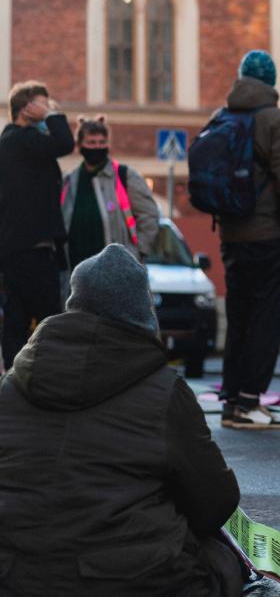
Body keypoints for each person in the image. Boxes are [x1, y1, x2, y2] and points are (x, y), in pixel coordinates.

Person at [0, 244, 244, 596]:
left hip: (14, 575)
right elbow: (215, 503)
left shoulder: (11, 386)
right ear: (142, 313)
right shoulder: (165, 391)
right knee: (221, 559)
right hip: (129, 579)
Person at [218, 51, 280, 429]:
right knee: (266, 320)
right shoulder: (277, 121)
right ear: (270, 82)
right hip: (269, 235)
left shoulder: (221, 118)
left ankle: (232, 400)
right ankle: (252, 403)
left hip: (231, 235)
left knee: (239, 317)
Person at [0, 81, 75, 369]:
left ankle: (14, 380)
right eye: (44, 103)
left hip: (20, 246)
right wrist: (53, 115)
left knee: (18, 318)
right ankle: (44, 376)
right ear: (26, 108)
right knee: (46, 319)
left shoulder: (20, 144)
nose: (49, 108)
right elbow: (65, 143)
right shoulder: (19, 140)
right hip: (29, 246)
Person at [60, 116, 159, 269]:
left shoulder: (125, 176)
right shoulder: (69, 181)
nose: (97, 147)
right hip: (75, 269)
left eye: (102, 142)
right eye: (91, 143)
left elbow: (149, 215)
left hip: (116, 270)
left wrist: (137, 253)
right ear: (79, 146)